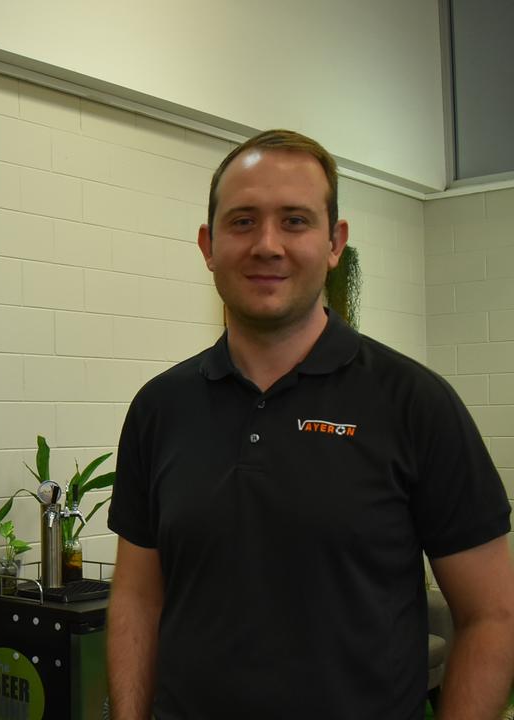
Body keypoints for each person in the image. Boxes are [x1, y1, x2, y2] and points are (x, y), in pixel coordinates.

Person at [106, 130, 514, 719]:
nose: (267, 245)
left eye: (294, 221)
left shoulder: (415, 404)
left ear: (334, 243)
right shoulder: (160, 408)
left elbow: (492, 616)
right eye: (243, 221)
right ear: (208, 245)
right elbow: (139, 599)